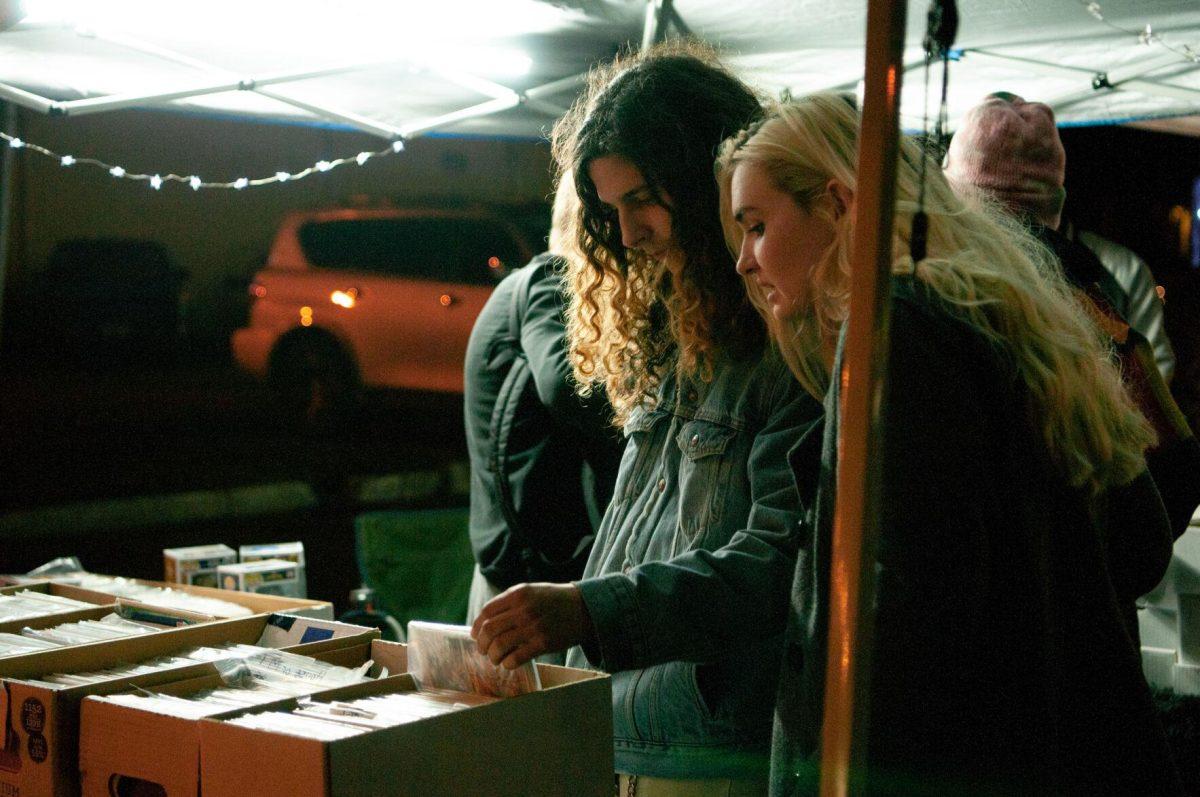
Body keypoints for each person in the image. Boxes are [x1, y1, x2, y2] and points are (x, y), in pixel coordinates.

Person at [717, 93, 1181, 794]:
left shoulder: (895, 334)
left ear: (840, 205)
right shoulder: (998, 307)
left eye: (756, 226)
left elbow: (907, 640)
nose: (746, 262)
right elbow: (1141, 534)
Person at [472, 43, 822, 792]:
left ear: (702, 183)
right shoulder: (677, 332)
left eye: (641, 200)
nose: (626, 235)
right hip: (625, 727)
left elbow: (777, 563)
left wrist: (587, 609)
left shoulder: (792, 348)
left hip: (710, 749)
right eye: (608, 212)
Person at [943, 92, 1200, 542]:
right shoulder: (1097, 301)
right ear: (1054, 207)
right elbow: (1173, 468)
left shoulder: (955, 307)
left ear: (968, 206)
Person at [463, 173, 623, 631]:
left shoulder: (519, 287)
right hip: (528, 590)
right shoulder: (551, 279)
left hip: (513, 576)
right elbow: (565, 386)